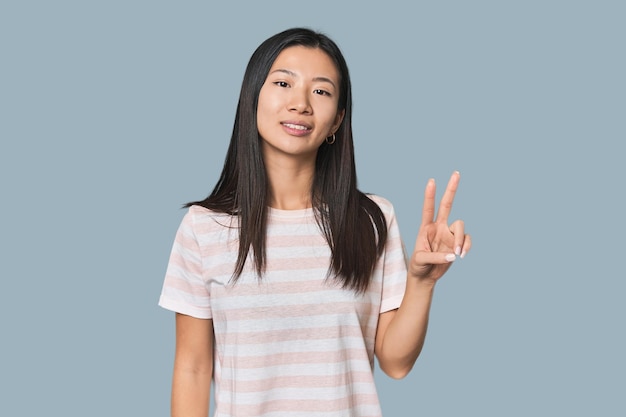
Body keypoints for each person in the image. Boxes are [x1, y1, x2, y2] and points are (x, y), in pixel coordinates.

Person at [159, 27, 471, 417]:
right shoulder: (205, 227)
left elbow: (395, 362)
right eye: (283, 83)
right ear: (253, 97)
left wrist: (422, 283)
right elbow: (192, 368)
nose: (300, 103)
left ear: (338, 120)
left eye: (321, 91)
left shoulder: (371, 219)